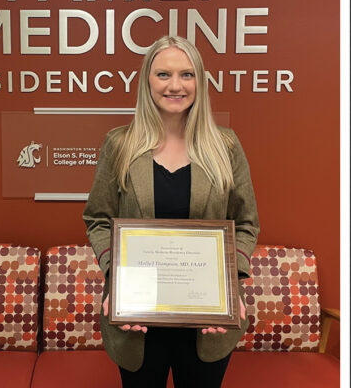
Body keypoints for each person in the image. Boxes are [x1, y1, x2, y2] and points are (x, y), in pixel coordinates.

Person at [83, 35, 261, 388]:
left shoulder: (225, 145)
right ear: (147, 81)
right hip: (137, 322)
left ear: (200, 82)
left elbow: (246, 224)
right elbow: (98, 219)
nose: (175, 85)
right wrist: (117, 281)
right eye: (163, 74)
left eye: (187, 74)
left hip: (207, 321)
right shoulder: (119, 144)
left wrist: (229, 286)